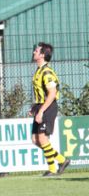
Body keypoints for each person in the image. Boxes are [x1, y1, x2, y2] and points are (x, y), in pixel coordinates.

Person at [30, 42, 70, 176]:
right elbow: (42, 93)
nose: (34, 52)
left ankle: (53, 168)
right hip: (41, 106)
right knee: (35, 140)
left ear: (42, 55)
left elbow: (52, 93)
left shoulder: (46, 72)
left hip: (48, 107)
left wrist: (41, 111)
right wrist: (35, 107)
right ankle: (61, 160)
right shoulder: (39, 70)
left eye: (36, 51)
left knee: (42, 139)